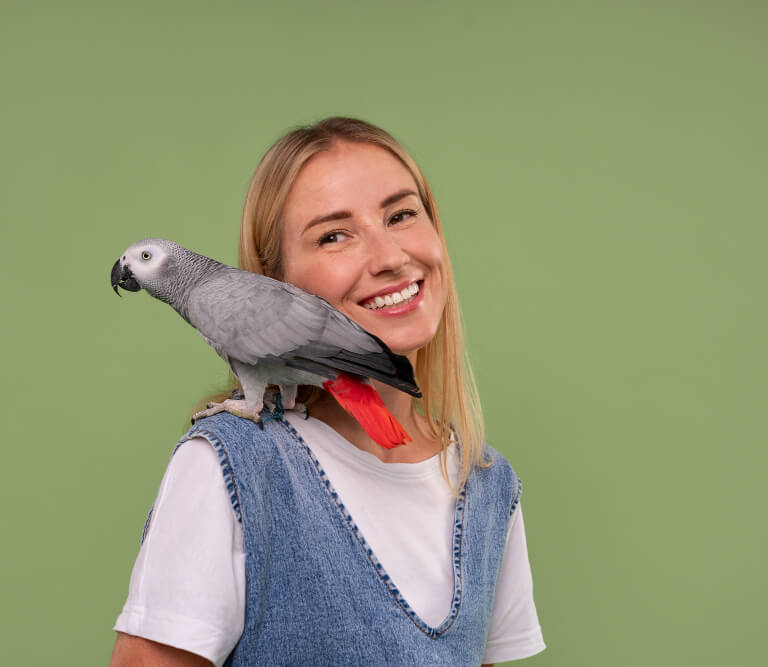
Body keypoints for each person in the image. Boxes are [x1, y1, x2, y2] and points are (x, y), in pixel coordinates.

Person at [109, 117, 545, 666]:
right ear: (277, 279)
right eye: (333, 235)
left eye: (402, 214)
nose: (388, 257)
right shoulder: (231, 466)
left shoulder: (486, 484)